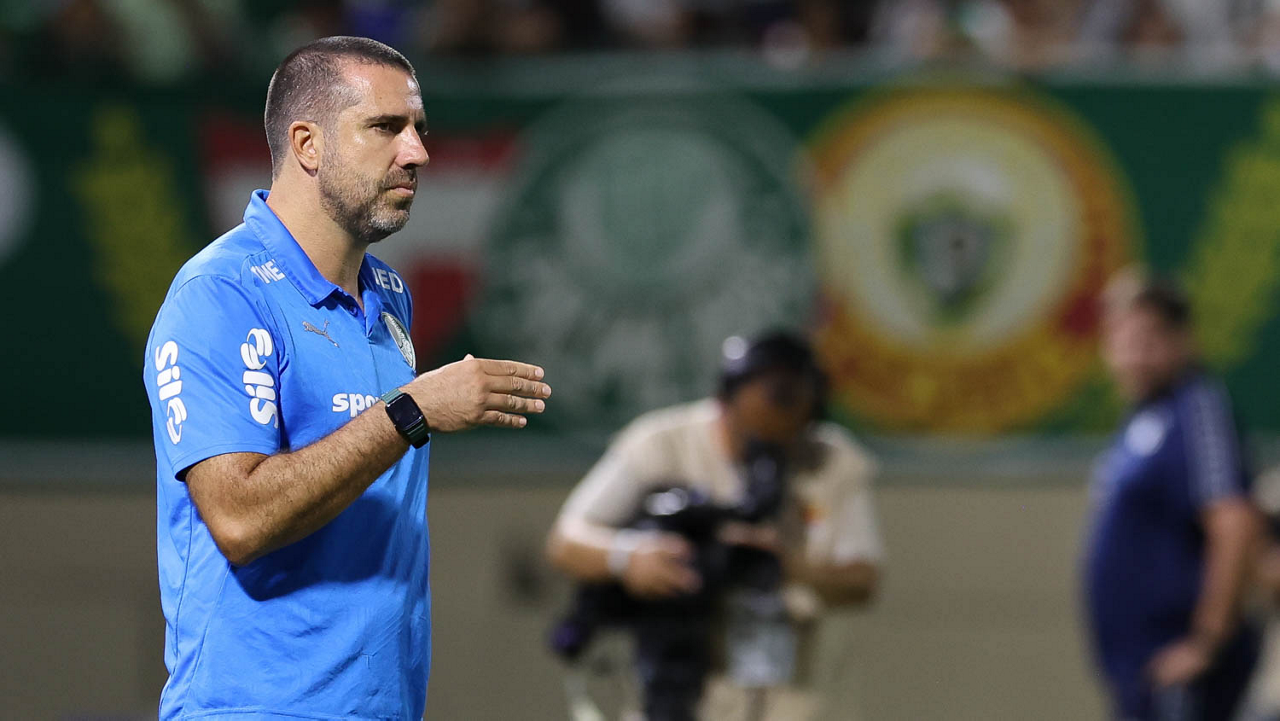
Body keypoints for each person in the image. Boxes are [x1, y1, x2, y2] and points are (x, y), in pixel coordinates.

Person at [142, 36, 551, 720]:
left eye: (419, 128)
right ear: (307, 144)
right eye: (386, 128)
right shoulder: (219, 294)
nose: (417, 152)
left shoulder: (389, 293)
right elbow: (239, 518)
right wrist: (408, 412)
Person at [546, 330, 884, 721]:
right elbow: (566, 540)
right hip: (674, 684)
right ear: (728, 398)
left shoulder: (831, 461)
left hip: (794, 695)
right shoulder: (662, 445)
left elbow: (864, 579)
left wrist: (786, 567)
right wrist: (629, 558)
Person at [1084, 273, 1262, 721]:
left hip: (1183, 676)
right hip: (1141, 674)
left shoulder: (1196, 405)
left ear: (1183, 339)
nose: (1132, 356)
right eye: (1121, 340)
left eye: (1147, 339)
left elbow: (1235, 520)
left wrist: (1207, 641)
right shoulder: (1144, 418)